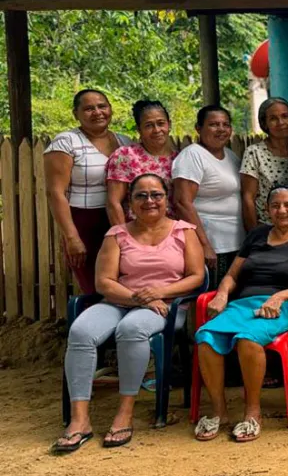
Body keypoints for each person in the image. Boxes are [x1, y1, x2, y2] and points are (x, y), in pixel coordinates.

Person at [54, 174, 203, 453]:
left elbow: (196, 276)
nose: (149, 201)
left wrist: (161, 291)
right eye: (141, 196)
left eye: (156, 195)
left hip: (165, 306)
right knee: (80, 332)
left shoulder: (184, 231)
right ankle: (79, 420)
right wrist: (138, 298)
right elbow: (104, 283)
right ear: (130, 201)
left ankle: (125, 412)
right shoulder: (117, 234)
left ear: (166, 198)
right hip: (120, 301)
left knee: (132, 330)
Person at [192, 185, 288, 442]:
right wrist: (221, 294)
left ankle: (252, 412)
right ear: (267, 210)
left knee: (248, 338)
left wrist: (279, 296)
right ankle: (218, 411)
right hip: (243, 304)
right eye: (275, 205)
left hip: (284, 306)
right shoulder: (256, 235)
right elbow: (232, 274)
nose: (282, 210)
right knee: (206, 336)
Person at [45, 89, 132, 294]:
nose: (97, 112)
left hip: (121, 220)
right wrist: (72, 237)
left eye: (102, 106)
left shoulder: (124, 142)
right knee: (95, 288)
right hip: (84, 222)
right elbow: (55, 193)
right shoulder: (67, 142)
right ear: (76, 114)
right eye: (89, 108)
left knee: (126, 282)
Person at [172, 105, 244, 285]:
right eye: (213, 124)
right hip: (212, 244)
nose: (221, 129)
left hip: (235, 241)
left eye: (225, 124)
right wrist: (204, 245)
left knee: (231, 297)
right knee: (211, 299)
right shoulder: (192, 155)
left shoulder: (230, 155)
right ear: (198, 128)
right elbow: (182, 202)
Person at [105, 100, 176, 225]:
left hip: (171, 233)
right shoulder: (125, 156)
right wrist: (123, 237)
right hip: (136, 232)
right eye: (149, 125)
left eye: (161, 123)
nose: (156, 130)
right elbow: (113, 203)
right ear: (139, 129)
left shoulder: (179, 158)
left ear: (169, 125)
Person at [241, 97, 288, 231]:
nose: (281, 122)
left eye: (285, 116)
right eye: (273, 119)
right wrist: (254, 235)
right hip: (267, 228)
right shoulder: (254, 153)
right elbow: (248, 197)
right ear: (264, 124)